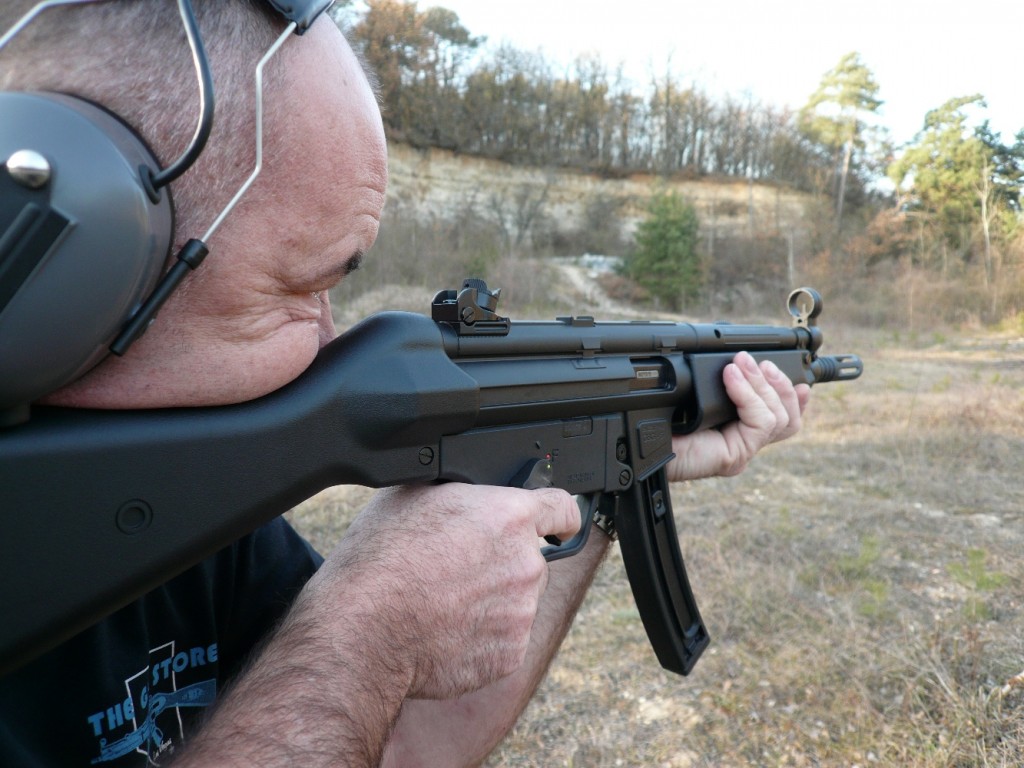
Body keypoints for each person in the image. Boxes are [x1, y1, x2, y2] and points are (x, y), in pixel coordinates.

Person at [0, 2, 811, 765]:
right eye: (301, 287)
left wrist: (609, 468)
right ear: (63, 262)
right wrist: (362, 632)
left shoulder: (185, 521)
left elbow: (395, 745)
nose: (328, 336)